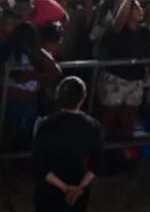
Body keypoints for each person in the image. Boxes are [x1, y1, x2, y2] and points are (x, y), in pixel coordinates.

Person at [32, 76, 102, 212]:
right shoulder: (93, 126)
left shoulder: (46, 125)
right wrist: (78, 188)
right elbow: (96, 165)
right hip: (78, 189)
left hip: (49, 192)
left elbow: (39, 166)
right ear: (83, 98)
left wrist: (64, 188)